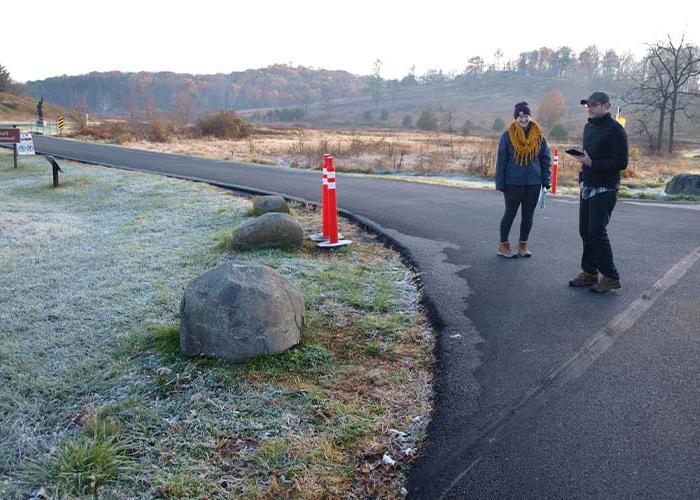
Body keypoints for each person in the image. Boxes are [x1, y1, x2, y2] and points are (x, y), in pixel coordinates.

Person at [568, 91, 628, 293]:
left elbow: (621, 162)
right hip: (588, 184)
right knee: (585, 231)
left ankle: (611, 276)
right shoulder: (588, 127)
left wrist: (593, 163)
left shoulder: (616, 130)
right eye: (587, 105)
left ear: (606, 106)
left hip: (606, 187)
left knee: (596, 231)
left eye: (593, 104)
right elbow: (589, 156)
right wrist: (584, 170)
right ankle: (590, 273)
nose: (589, 107)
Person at [495, 101, 551, 258]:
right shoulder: (507, 136)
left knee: (528, 216)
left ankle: (522, 245)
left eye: (526, 116)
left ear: (530, 116)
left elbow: (545, 159)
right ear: (515, 118)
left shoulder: (539, 136)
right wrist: (500, 182)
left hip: (533, 182)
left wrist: (545, 180)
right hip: (512, 182)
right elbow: (502, 161)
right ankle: (503, 246)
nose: (523, 119)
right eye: (520, 117)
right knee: (510, 213)